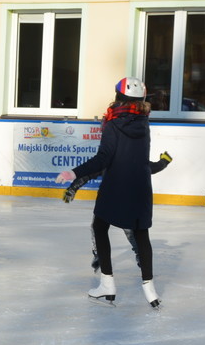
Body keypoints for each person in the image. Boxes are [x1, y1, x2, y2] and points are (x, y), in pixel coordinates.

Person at [57, 77, 161, 309]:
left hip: (116, 186)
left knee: (100, 227)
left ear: (118, 97)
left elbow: (104, 158)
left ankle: (107, 285)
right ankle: (150, 290)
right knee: (141, 233)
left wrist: (73, 173)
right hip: (141, 186)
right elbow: (141, 160)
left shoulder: (113, 123)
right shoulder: (143, 123)